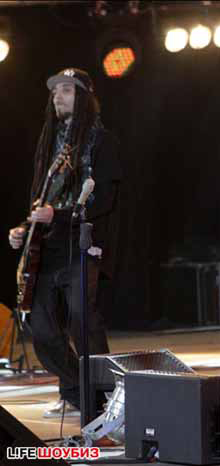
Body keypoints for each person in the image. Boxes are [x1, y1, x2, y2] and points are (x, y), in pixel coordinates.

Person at [8, 68, 121, 418]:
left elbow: (104, 200)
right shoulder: (50, 143)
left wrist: (56, 215)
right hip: (47, 246)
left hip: (82, 243)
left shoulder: (102, 142)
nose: (57, 95)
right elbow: (42, 196)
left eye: (67, 90)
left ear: (84, 97)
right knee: (40, 327)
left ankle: (104, 396)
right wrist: (25, 227)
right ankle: (77, 392)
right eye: (55, 91)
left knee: (81, 320)